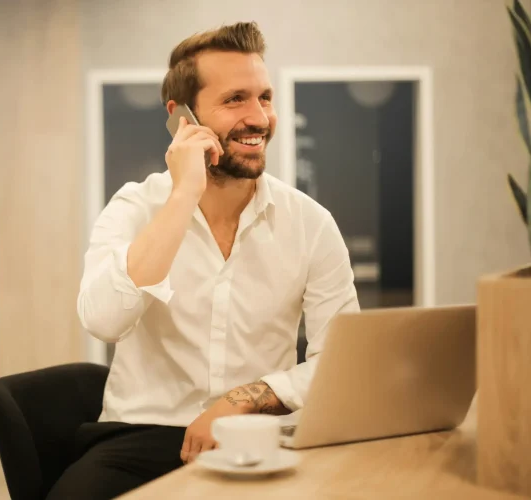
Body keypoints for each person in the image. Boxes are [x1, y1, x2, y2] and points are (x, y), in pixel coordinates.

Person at [48, 21, 359, 500]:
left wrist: (242, 399)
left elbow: (340, 362)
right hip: (140, 436)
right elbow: (104, 321)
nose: (259, 118)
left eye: (265, 97)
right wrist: (183, 195)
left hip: (261, 436)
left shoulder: (311, 224)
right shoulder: (134, 207)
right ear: (182, 117)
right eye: (236, 99)